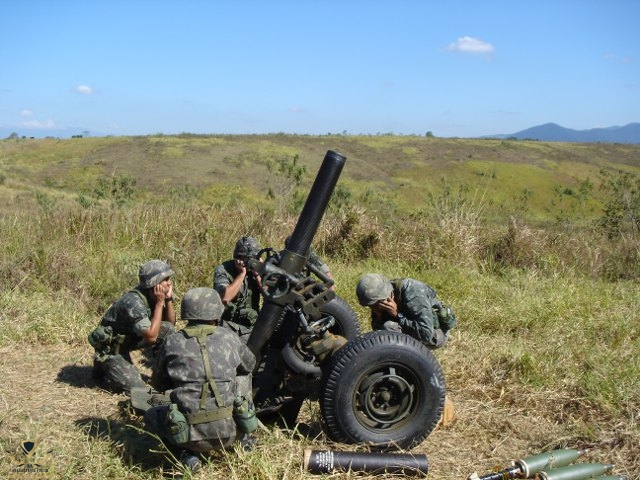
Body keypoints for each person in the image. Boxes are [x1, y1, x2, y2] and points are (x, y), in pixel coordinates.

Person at [144, 287, 257, 472]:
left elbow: (158, 384)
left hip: (189, 436)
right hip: (231, 431)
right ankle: (244, 436)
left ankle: (186, 455)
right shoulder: (230, 337)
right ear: (215, 312)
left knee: (151, 415)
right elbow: (250, 365)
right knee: (243, 374)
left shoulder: (172, 341)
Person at [89, 260, 176, 394]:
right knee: (138, 389)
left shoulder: (153, 295)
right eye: (166, 279)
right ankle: (103, 363)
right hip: (113, 347)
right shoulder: (133, 302)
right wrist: (159, 304)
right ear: (155, 283)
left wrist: (168, 299)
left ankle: (161, 374)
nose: (169, 283)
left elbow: (170, 324)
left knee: (168, 330)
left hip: (131, 337)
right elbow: (152, 337)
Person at [355, 273, 457, 350]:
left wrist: (397, 314)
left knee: (389, 328)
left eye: (375, 305)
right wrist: (379, 316)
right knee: (385, 330)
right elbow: (377, 335)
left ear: (384, 296)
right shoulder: (377, 299)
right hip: (414, 328)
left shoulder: (412, 292)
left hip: (436, 334)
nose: (373, 308)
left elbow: (426, 334)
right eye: (370, 306)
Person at [213, 236, 262, 341]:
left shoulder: (259, 270)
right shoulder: (224, 270)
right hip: (228, 325)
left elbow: (272, 296)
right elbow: (224, 298)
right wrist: (241, 275)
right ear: (237, 257)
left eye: (254, 257)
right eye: (246, 258)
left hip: (252, 325)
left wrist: (258, 275)